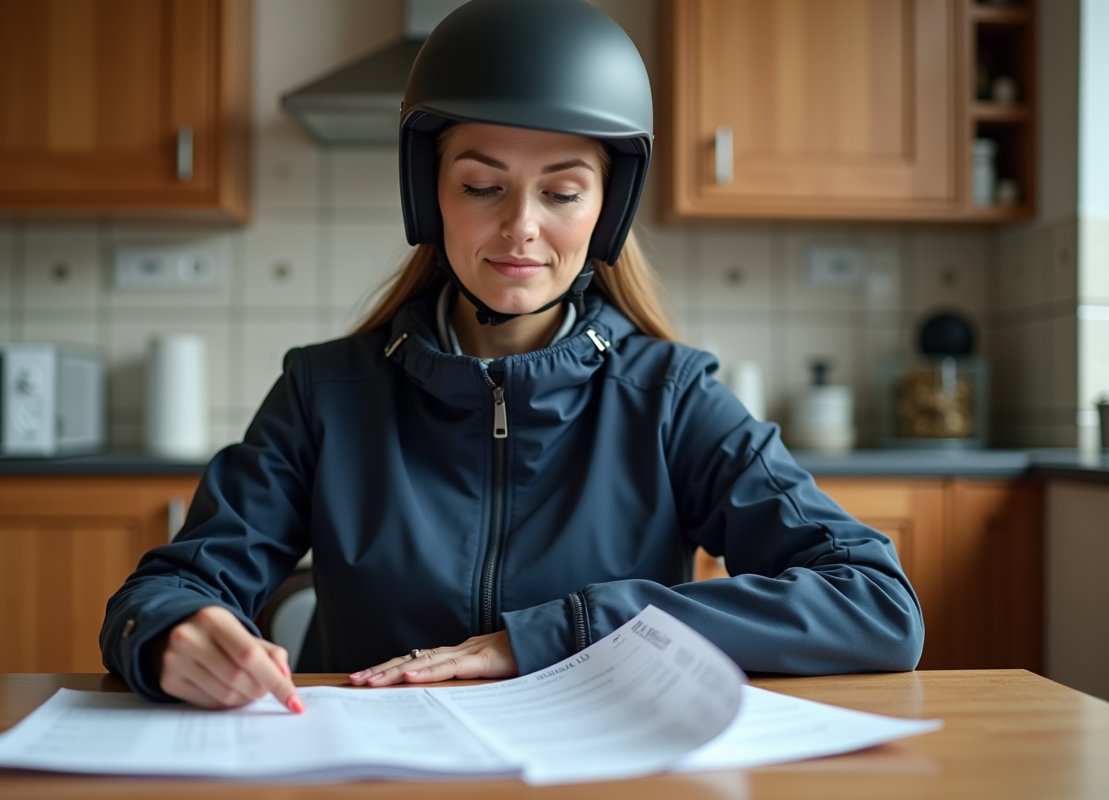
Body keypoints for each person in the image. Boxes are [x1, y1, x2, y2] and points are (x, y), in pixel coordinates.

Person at [101, 0, 924, 713]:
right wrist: (171, 632)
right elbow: (167, 590)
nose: (521, 226)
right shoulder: (325, 392)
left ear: (606, 212)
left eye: (562, 192)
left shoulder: (671, 397)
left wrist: (559, 633)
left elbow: (877, 604)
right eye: (481, 185)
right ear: (431, 195)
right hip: (374, 770)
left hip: (601, 770)